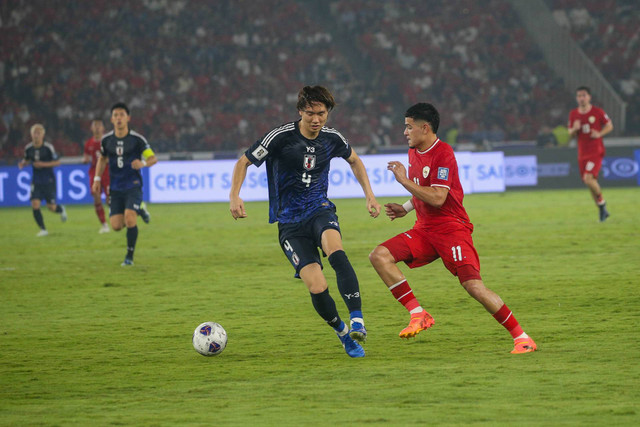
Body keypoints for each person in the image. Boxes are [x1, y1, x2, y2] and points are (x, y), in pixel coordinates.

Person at [368, 103, 537, 354]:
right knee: (379, 256)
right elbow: (423, 189)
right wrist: (406, 207)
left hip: (451, 230)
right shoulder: (414, 151)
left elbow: (437, 198)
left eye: (409, 127)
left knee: (473, 287)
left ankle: (522, 337)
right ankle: (418, 313)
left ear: (425, 128)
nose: (405, 132)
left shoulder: (443, 153)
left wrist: (402, 181)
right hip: (424, 229)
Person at [229, 85, 381, 358]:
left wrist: (369, 195)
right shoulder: (280, 137)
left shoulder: (332, 138)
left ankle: (358, 318)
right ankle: (343, 333)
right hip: (289, 223)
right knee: (317, 285)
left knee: (337, 251)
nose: (316, 119)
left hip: (319, 210)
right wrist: (234, 196)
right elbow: (243, 162)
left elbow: (355, 160)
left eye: (321, 113)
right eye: (310, 113)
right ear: (300, 111)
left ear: (328, 113)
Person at [93, 103, 156, 266]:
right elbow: (103, 159)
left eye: (122, 115)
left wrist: (142, 163)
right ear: (112, 119)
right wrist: (97, 179)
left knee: (130, 219)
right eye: (116, 115)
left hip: (133, 185)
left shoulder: (137, 140)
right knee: (116, 226)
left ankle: (129, 257)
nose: (119, 118)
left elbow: (152, 159)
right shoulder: (106, 140)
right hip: (115, 187)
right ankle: (140, 208)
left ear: (128, 118)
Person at [568, 86, 613, 222]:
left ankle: (602, 204)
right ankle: (601, 209)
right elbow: (569, 134)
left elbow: (610, 126)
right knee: (590, 182)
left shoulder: (597, 112)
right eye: (579, 96)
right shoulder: (573, 114)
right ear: (576, 98)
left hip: (595, 151)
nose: (581, 98)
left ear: (589, 97)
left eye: (584, 95)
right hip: (582, 153)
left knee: (588, 179)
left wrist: (599, 133)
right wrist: (573, 130)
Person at [18, 123, 67, 236]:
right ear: (31, 135)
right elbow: (27, 159)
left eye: (38, 133)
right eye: (34, 133)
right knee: (35, 204)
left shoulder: (48, 148)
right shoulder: (28, 148)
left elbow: (57, 162)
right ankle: (43, 229)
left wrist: (42, 164)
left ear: (43, 135)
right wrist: (23, 164)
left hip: (49, 180)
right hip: (36, 181)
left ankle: (61, 209)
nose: (36, 135)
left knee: (51, 207)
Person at [83, 118, 110, 233]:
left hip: (107, 171)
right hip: (94, 172)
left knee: (110, 199)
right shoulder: (88, 143)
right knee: (96, 197)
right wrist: (85, 160)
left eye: (99, 125)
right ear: (92, 128)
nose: (97, 127)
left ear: (103, 128)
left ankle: (118, 217)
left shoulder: (108, 141)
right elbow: (86, 157)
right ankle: (104, 224)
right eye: (95, 125)